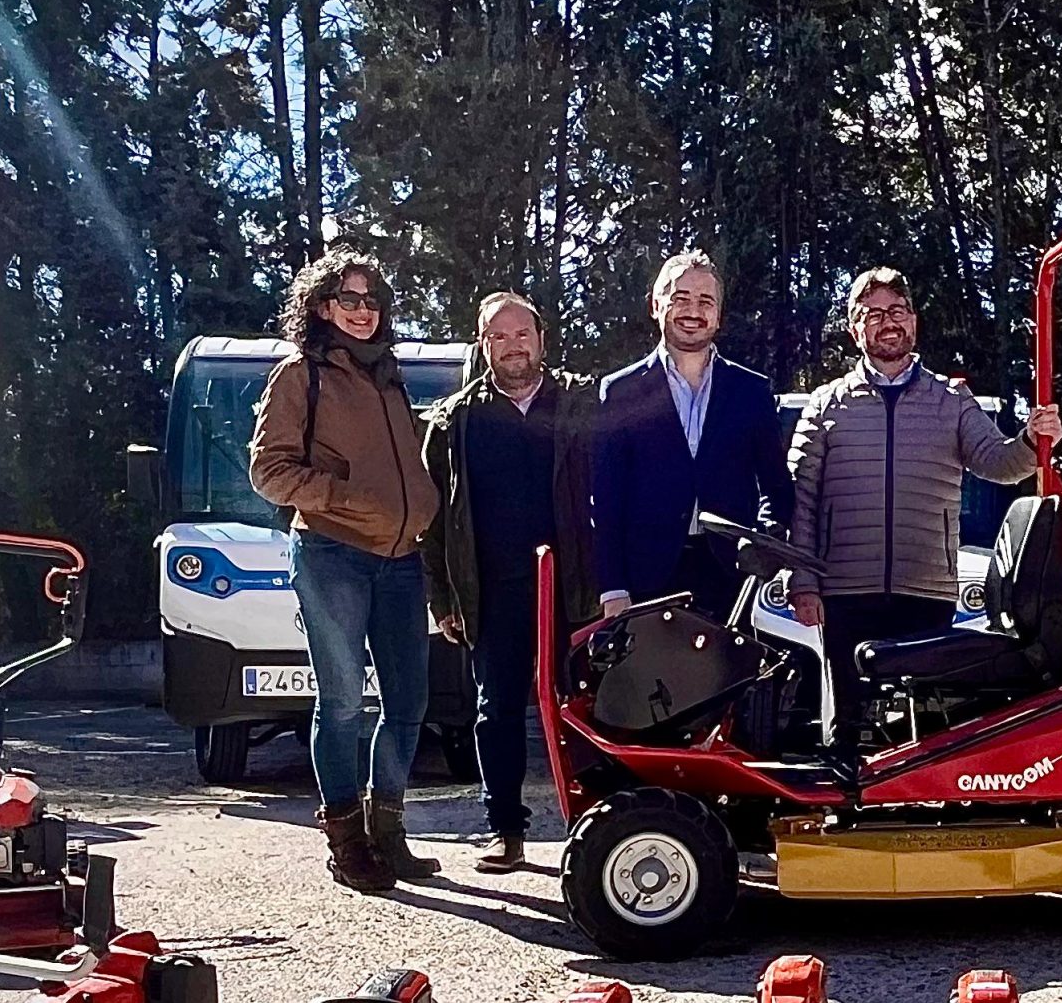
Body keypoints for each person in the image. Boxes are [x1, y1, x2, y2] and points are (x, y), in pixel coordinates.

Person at [785, 268, 1061, 734]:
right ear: (855, 329)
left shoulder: (951, 400)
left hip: (925, 593)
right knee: (848, 725)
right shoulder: (825, 404)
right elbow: (801, 499)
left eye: (896, 311)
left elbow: (998, 462)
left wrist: (1033, 442)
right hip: (845, 593)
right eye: (872, 314)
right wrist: (803, 582)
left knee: (920, 733)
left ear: (913, 321)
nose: (887, 322)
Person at [250, 250, 442, 892]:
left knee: (409, 703)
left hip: (400, 560)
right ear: (322, 307)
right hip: (333, 554)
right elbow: (269, 472)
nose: (363, 311)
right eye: (348, 300)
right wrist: (346, 500)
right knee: (340, 704)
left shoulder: (390, 379)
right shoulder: (300, 374)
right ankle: (346, 841)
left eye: (371, 300)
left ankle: (389, 832)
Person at [419, 291, 598, 874]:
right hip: (492, 591)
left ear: (542, 340)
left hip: (576, 589)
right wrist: (442, 597)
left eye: (522, 334)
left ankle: (601, 826)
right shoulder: (455, 422)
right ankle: (505, 830)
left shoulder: (579, 404)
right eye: (498, 336)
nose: (512, 346)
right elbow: (435, 519)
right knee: (496, 710)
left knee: (588, 706)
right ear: (482, 344)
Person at [592, 250, 794, 619]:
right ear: (656, 305)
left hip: (731, 581)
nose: (693, 311)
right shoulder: (620, 391)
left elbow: (776, 488)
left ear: (718, 314)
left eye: (705, 301)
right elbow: (606, 502)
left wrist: (763, 538)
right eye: (680, 298)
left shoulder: (751, 391)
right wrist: (612, 588)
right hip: (646, 582)